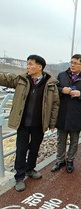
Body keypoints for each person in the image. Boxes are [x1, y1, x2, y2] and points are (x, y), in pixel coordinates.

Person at [0, 55, 60, 192]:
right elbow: (5, 79)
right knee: (21, 149)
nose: (27, 66)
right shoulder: (21, 80)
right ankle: (19, 177)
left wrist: (52, 123)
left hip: (39, 123)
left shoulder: (50, 84)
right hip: (23, 123)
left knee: (34, 148)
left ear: (39, 67)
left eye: (30, 64)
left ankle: (30, 169)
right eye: (27, 64)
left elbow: (55, 104)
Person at [51, 54, 81, 173]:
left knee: (74, 140)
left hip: (77, 113)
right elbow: (54, 90)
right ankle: (60, 160)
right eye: (71, 62)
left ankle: (70, 160)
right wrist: (61, 90)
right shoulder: (62, 75)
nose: (73, 65)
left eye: (76, 63)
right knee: (61, 139)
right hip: (63, 113)